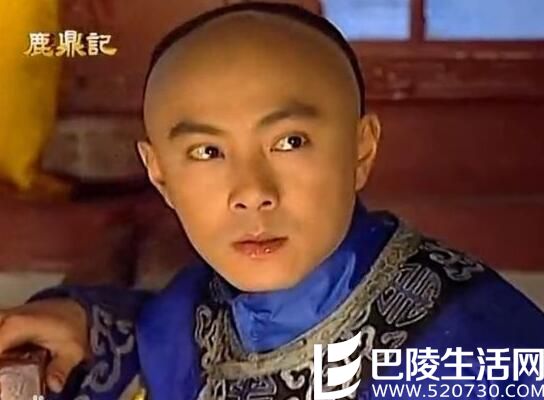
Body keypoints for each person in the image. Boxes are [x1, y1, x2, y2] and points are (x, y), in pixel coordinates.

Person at [0, 3, 543, 399]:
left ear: (361, 149)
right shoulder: (201, 308)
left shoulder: (472, 344)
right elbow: (153, 334)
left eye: (290, 142)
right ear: (159, 174)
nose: (253, 193)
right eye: (207, 151)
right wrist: (82, 319)